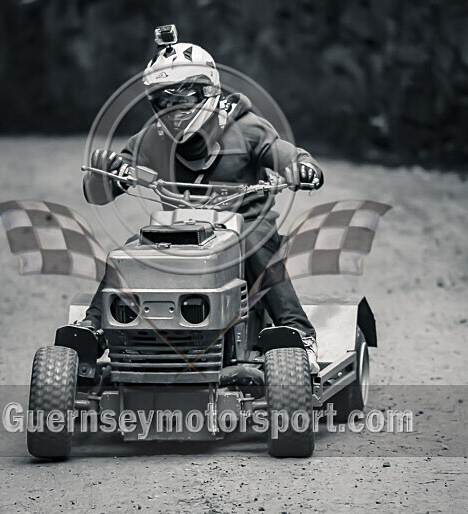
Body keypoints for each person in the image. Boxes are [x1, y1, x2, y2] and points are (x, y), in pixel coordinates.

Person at [80, 27, 324, 373]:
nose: (173, 109)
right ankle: (92, 330)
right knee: (131, 251)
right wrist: (105, 175)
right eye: (163, 100)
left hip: (246, 226)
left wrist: (303, 168)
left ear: (208, 90)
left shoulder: (249, 128)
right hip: (180, 233)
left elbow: (288, 155)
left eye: (182, 97)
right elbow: (101, 191)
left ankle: (299, 332)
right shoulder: (152, 138)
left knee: (254, 244)